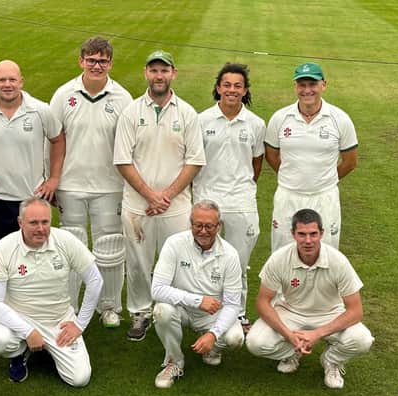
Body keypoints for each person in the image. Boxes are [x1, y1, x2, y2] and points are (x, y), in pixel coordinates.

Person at [0, 60, 64, 336]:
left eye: (12, 80)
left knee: (35, 255)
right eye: (1, 80)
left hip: (30, 200)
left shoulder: (40, 110)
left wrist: (53, 179)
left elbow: (58, 140)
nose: (7, 85)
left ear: (21, 81)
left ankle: (32, 308)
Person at [113, 50, 205, 341]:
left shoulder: (187, 113)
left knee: (179, 260)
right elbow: (122, 160)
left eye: (164, 71)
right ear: (146, 73)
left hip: (175, 206)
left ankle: (175, 311)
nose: (159, 76)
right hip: (138, 205)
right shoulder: (131, 112)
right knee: (139, 261)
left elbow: (194, 161)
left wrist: (164, 196)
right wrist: (150, 195)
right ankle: (140, 313)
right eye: (154, 70)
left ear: (173, 74)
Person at [50, 37, 132, 328]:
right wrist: (53, 180)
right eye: (91, 60)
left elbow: (130, 146)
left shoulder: (122, 98)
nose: (97, 65)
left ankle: (109, 306)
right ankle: (69, 305)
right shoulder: (63, 95)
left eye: (103, 61)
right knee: (71, 245)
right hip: (70, 184)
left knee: (110, 247)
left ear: (110, 63)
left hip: (109, 186)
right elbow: (52, 140)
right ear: (81, 61)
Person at [246, 209, 373, 389]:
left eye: (313, 234)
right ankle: (292, 353)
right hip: (290, 311)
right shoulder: (279, 259)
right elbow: (263, 302)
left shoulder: (339, 262)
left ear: (321, 233)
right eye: (302, 234)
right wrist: (288, 335)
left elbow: (355, 311)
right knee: (255, 343)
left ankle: (331, 360)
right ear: (293, 234)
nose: (308, 241)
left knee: (362, 340)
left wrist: (317, 334)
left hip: (330, 312)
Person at [0, 197, 103, 386]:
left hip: (58, 320)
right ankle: (19, 353)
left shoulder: (65, 240)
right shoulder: (3, 249)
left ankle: (47, 348)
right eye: (33, 223)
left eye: (45, 222)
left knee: (80, 379)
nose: (40, 229)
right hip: (20, 318)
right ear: (20, 223)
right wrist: (28, 331)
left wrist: (79, 325)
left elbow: (95, 280)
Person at [192, 63, 266, 331]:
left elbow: (256, 164)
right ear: (217, 88)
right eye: (227, 85)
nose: (232, 90)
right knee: (205, 260)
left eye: (238, 85)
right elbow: (194, 161)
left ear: (245, 90)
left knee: (238, 262)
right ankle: (206, 314)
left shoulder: (256, 124)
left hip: (242, 203)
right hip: (207, 201)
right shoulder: (201, 121)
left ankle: (237, 314)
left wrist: (241, 188)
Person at [265, 62, 358, 252]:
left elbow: (350, 161)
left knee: (326, 253)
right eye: (302, 85)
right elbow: (272, 155)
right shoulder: (280, 118)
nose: (307, 90)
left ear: (323, 85)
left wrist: (324, 180)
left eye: (312, 84)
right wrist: (293, 176)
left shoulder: (340, 119)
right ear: (295, 87)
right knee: (283, 253)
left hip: (324, 197)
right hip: (288, 196)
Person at [151, 200, 244, 388]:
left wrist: (213, 334)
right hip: (182, 308)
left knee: (236, 338)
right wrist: (198, 300)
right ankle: (174, 361)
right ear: (191, 223)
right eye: (197, 225)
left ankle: (212, 349)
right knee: (162, 311)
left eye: (209, 226)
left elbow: (233, 304)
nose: (202, 231)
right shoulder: (174, 243)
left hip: (212, 314)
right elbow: (157, 289)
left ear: (219, 226)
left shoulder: (230, 254)